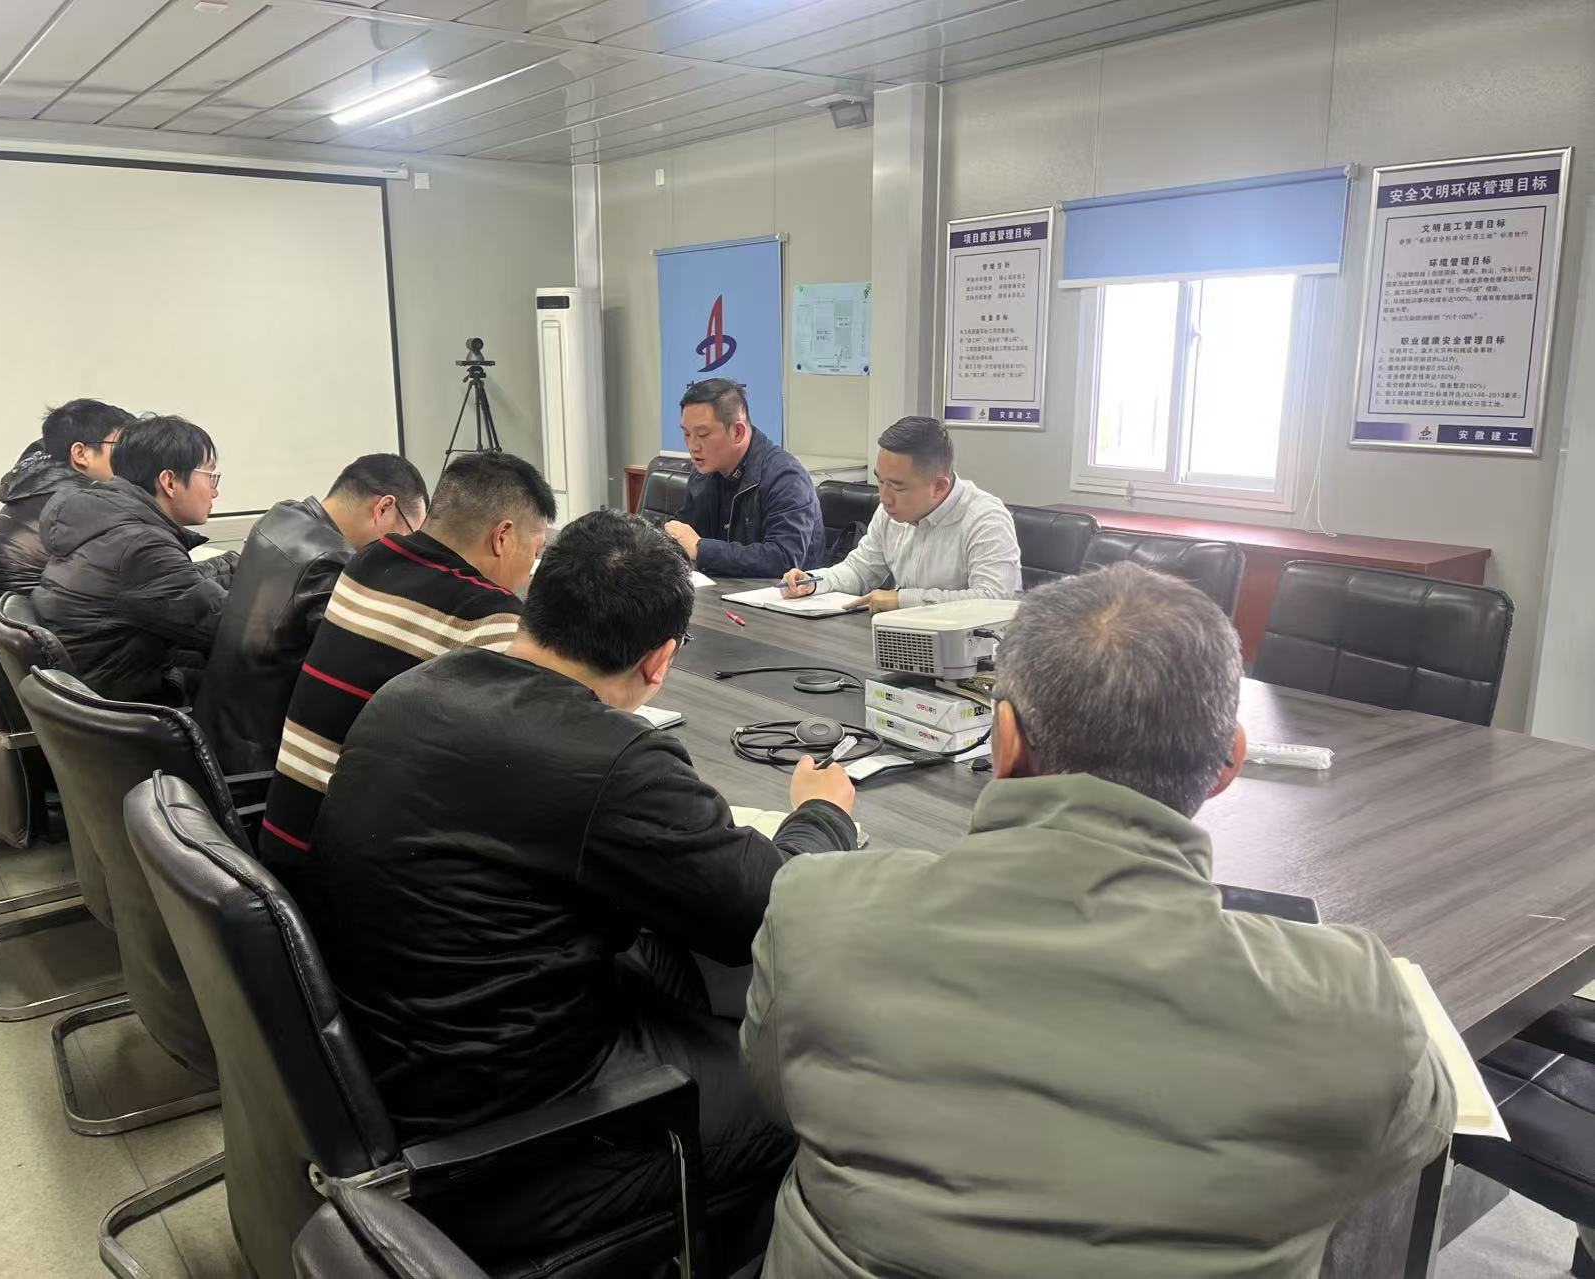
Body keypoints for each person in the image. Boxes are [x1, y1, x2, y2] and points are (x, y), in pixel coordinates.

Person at [743, 562, 1455, 1279]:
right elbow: (1411, 1137)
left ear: (1003, 741)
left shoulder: (816, 913)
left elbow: (775, 1093)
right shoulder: (1353, 1007)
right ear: (1229, 762)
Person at [296, 509, 858, 1272]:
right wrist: (822, 813)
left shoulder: (412, 689)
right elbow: (776, 907)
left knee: (698, 977)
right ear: (659, 660)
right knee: (822, 1089)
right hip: (513, 1137)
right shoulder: (610, 758)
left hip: (403, 1066)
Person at [257, 450, 552, 867]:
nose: (529, 573)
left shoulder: (366, 563)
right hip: (344, 875)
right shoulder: (488, 616)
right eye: (535, 551)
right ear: (502, 536)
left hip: (283, 846)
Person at [193, 454, 429, 775]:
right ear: (384, 508)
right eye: (410, 533)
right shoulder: (332, 563)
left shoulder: (282, 516)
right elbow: (357, 670)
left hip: (216, 731)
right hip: (263, 759)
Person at [32, 415, 235, 704]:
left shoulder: (107, 521)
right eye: (210, 476)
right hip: (130, 706)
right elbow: (229, 627)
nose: (215, 490)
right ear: (169, 482)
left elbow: (179, 585)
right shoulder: (140, 546)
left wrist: (236, 564)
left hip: (98, 683)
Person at [778, 415, 1021, 614]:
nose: (884, 497)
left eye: (898, 487)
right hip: (903, 638)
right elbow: (860, 570)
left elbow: (993, 600)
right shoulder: (889, 511)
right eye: (880, 481)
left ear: (939, 487)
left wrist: (903, 600)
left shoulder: (985, 519)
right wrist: (812, 582)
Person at [0, 399, 133, 623]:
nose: (131, 456)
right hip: (24, 630)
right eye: (121, 447)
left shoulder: (39, 484)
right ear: (81, 453)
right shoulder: (77, 502)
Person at [663, 377, 823, 577]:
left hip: (780, 594)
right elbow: (683, 530)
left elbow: (784, 559)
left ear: (737, 432)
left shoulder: (786, 477)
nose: (692, 446)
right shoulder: (704, 472)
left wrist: (701, 548)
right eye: (687, 434)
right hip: (721, 589)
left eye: (702, 434)